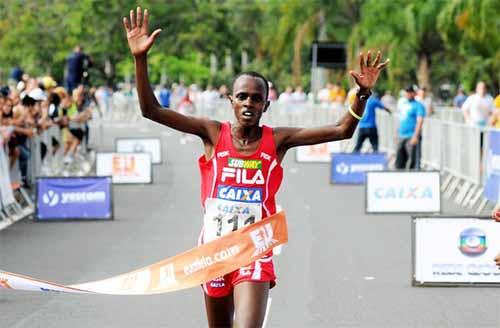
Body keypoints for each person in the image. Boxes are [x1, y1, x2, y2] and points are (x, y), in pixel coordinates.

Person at [123, 7, 388, 327]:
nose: (249, 103)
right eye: (242, 97)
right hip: (214, 250)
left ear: (266, 104)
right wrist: (140, 59)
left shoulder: (277, 140)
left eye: (256, 98)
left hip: (254, 248)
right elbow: (151, 110)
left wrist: (362, 94)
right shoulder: (212, 133)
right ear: (231, 101)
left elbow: (341, 131)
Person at [395, 85, 426, 170]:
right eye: (407, 92)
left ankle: (413, 181)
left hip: (411, 136)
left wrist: (415, 136)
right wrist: (397, 134)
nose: (408, 94)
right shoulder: (403, 104)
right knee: (399, 161)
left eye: (410, 92)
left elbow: (420, 121)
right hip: (402, 136)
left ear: (414, 93)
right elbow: (401, 120)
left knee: (413, 162)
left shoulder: (418, 105)